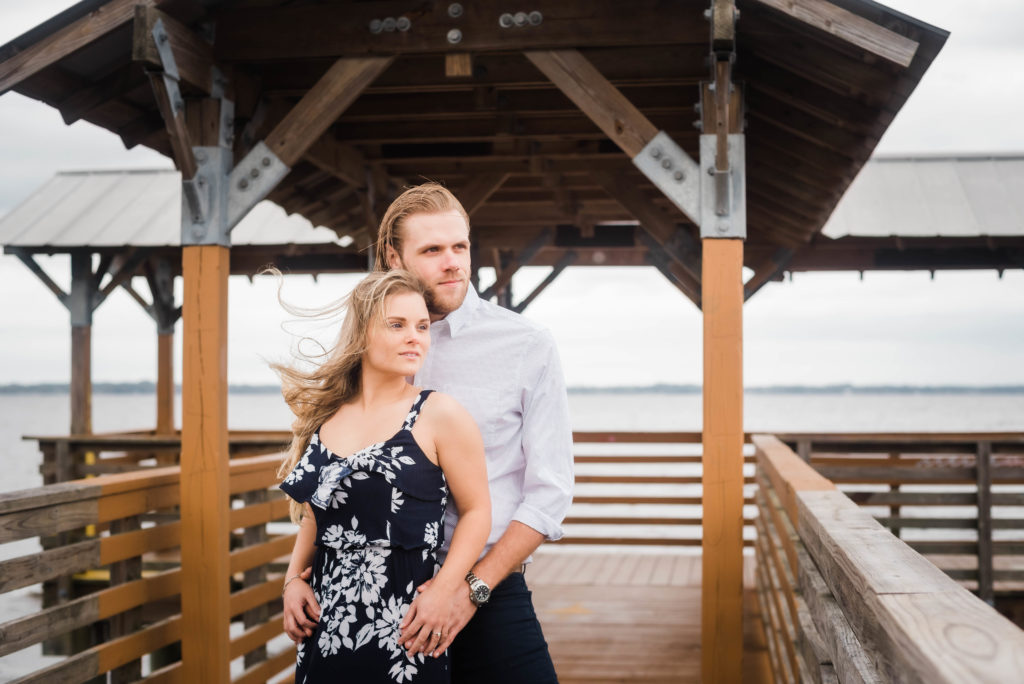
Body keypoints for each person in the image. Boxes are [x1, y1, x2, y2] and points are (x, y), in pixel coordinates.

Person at [379, 183, 575, 683]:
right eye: (431, 250)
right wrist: (299, 574)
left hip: (487, 589)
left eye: (460, 247)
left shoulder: (525, 344)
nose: (452, 263)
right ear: (392, 256)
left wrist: (467, 594)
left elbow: (549, 494)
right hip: (376, 589)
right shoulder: (364, 344)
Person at [276, 269, 491, 683]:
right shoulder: (325, 417)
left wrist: (447, 589)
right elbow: (313, 516)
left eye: (422, 326)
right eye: (397, 325)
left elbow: (478, 510)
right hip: (325, 632)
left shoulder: (438, 414)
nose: (416, 337)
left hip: (407, 629)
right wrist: (291, 582)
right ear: (361, 334)